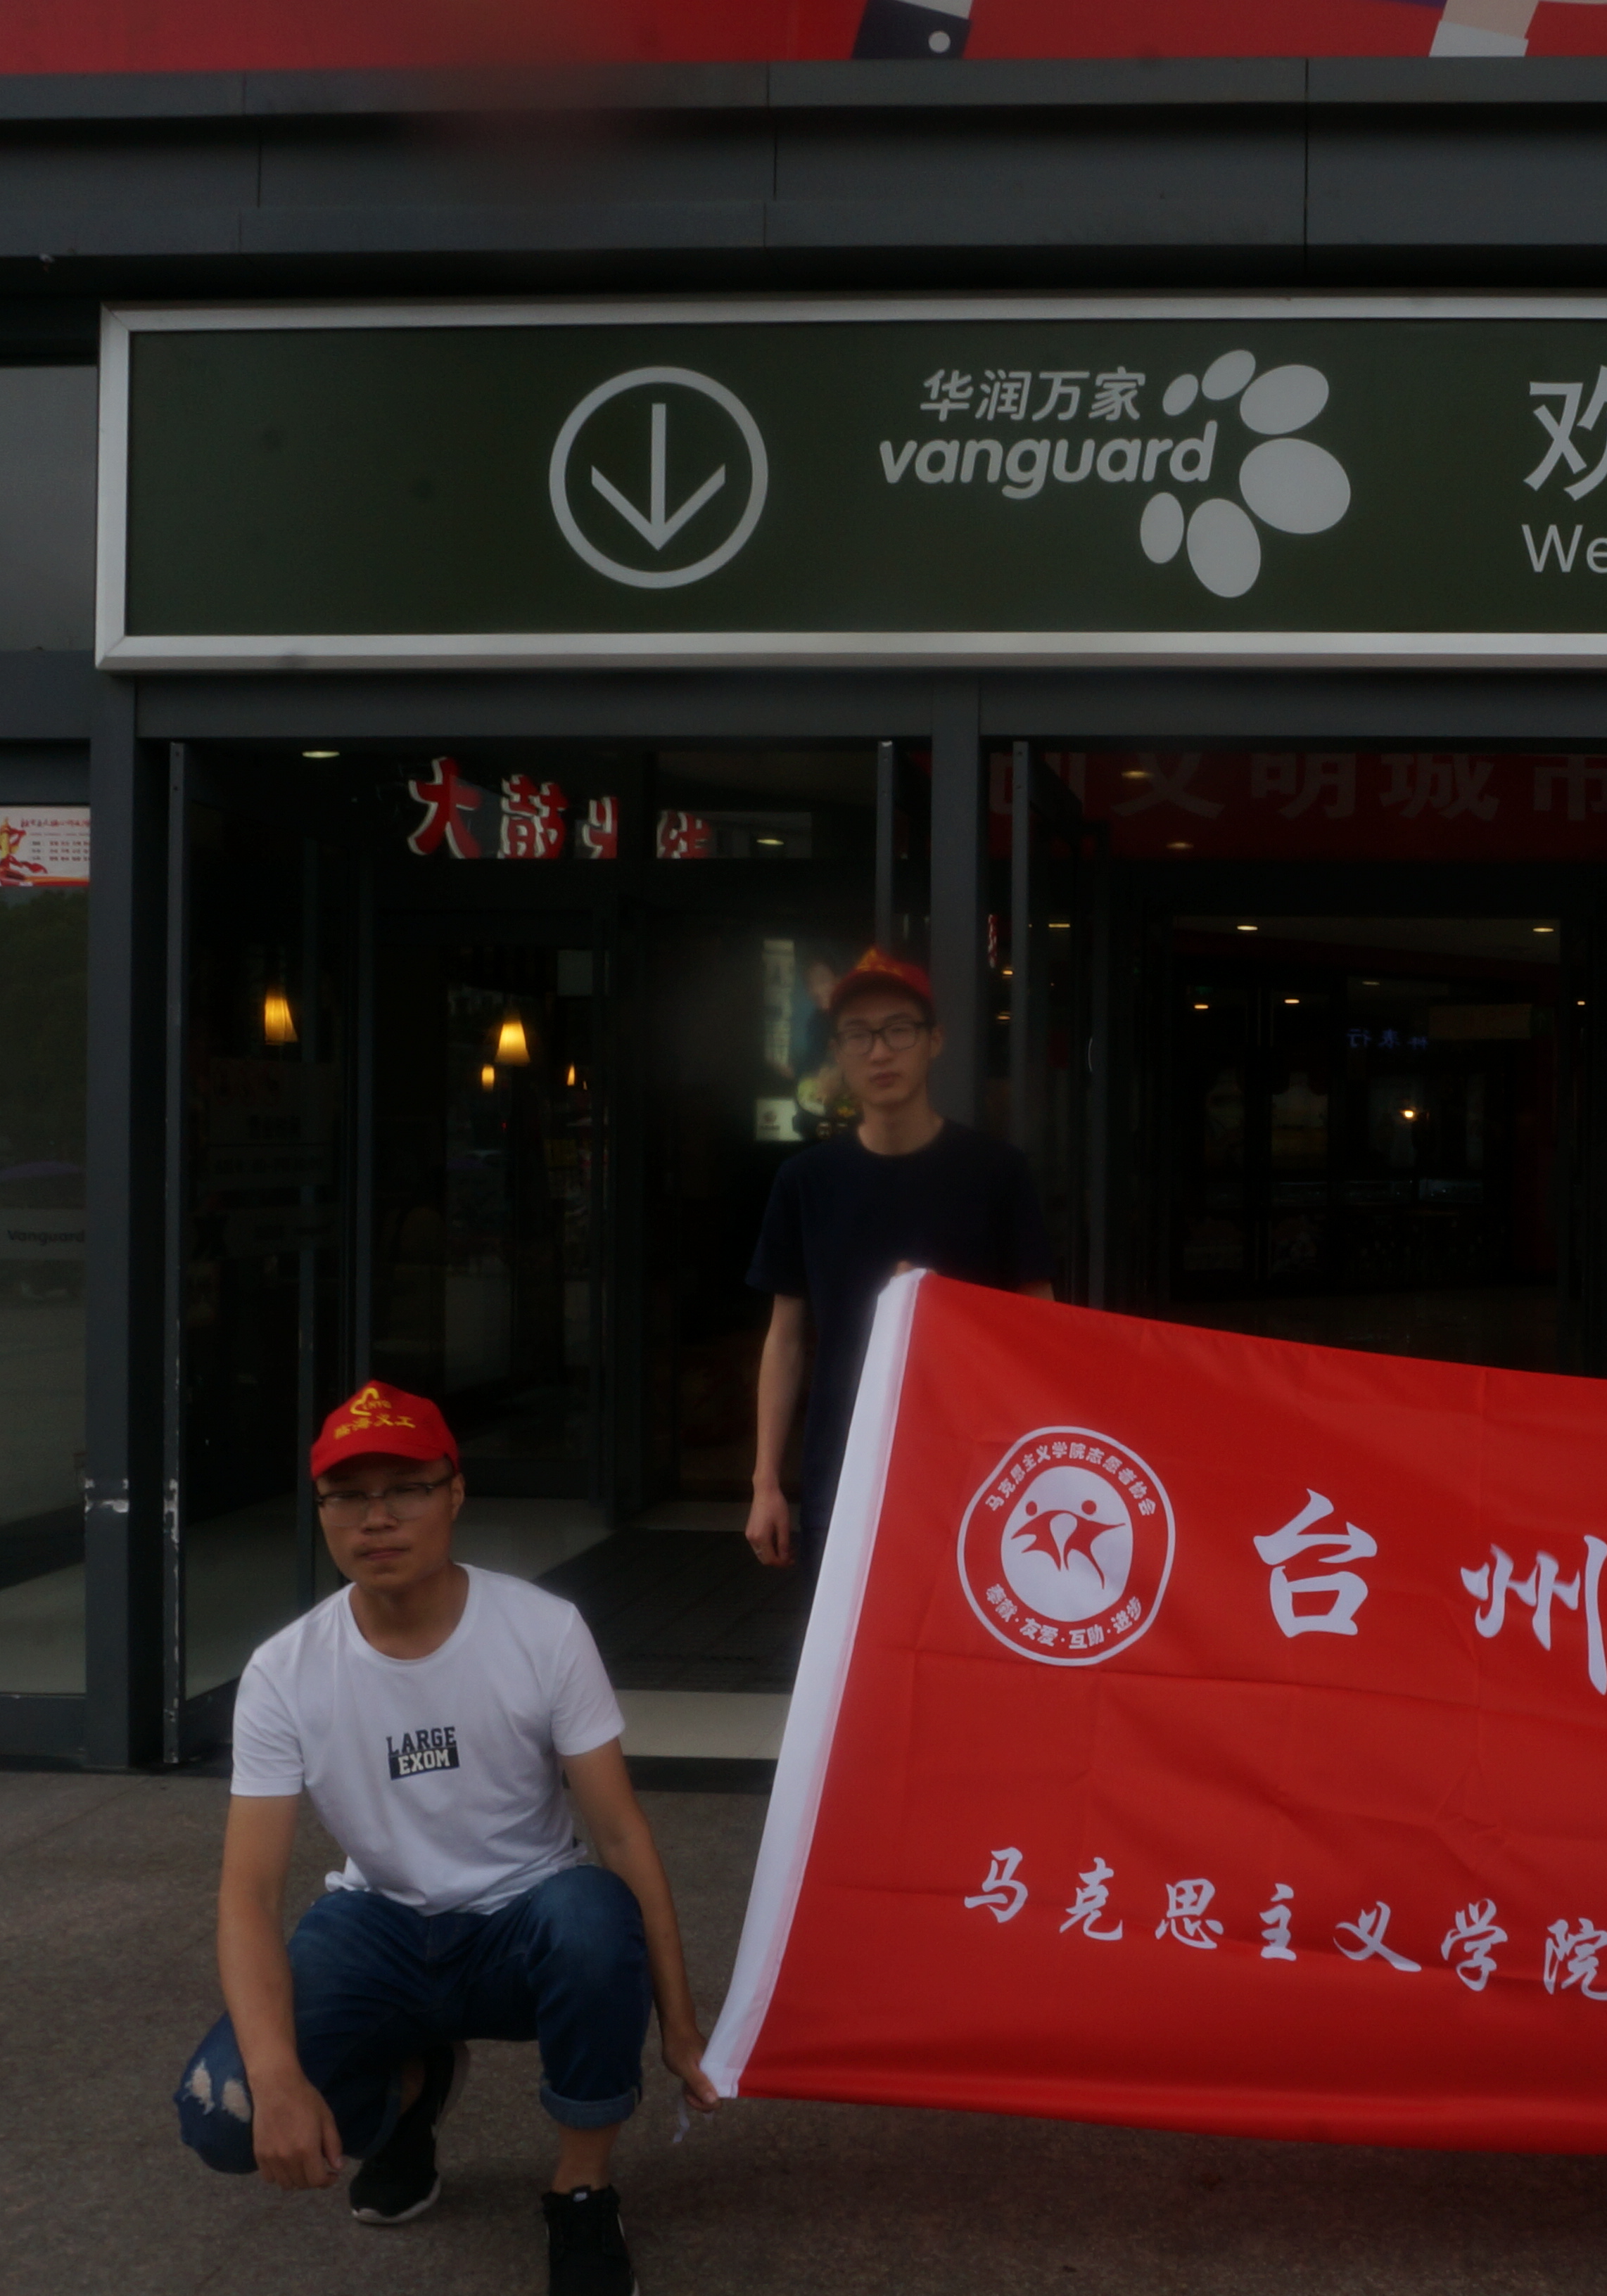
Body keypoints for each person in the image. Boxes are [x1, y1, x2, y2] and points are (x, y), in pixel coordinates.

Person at [176, 1382, 717, 2296]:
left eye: (406, 1489)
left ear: (455, 1493)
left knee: (593, 1918)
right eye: (348, 1496)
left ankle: (582, 2189)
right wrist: (276, 2078)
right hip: (377, 1926)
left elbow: (621, 1836)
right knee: (222, 2115)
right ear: (321, 1512)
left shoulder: (542, 1631)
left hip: (526, 1922)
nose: (377, 1518)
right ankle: (407, 2101)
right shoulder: (284, 1671)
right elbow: (249, 1894)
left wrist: (683, 2027)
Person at [747, 949, 1054, 1568]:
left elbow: (1041, 1327)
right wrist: (765, 1483)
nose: (880, 1052)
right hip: (844, 1462)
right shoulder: (806, 1181)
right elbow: (785, 1338)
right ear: (837, 1052)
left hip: (977, 1466)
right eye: (858, 1035)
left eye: (898, 1030)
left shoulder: (996, 1173)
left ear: (935, 1041)